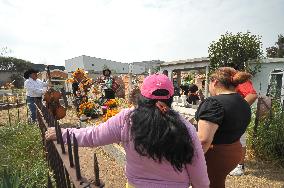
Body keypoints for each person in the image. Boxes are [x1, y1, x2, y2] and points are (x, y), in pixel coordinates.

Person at [46, 74, 210, 188]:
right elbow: (201, 179)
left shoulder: (127, 119)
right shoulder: (185, 127)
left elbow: (93, 136)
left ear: (142, 96)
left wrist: (63, 134)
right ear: (171, 97)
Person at [195, 67, 252, 188]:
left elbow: (204, 140)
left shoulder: (213, 103)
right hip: (234, 152)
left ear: (214, 82)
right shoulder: (243, 102)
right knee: (217, 182)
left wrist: (190, 159)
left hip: (215, 156)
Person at [229, 78, 257, 176]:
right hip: (229, 115)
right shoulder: (226, 79)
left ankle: (240, 166)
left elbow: (252, 95)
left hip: (238, 116)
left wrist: (238, 108)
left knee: (240, 140)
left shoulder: (239, 79)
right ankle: (232, 163)